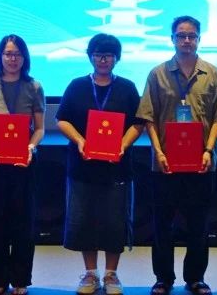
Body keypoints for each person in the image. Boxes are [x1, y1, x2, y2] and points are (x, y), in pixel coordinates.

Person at [136, 16, 217, 295]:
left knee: (199, 223)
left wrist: (208, 150)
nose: (186, 40)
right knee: (162, 224)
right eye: (181, 35)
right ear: (172, 39)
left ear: (199, 39)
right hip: (165, 163)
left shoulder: (213, 74)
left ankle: (195, 278)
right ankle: (163, 278)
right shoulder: (157, 74)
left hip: (201, 162)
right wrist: (158, 152)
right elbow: (148, 117)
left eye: (191, 36)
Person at [55, 33, 143, 295]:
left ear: (116, 58)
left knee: (115, 221)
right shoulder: (77, 86)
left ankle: (111, 274)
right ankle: (91, 273)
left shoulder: (127, 87)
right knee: (85, 220)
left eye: (108, 55)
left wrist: (122, 144)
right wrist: (80, 140)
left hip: (117, 167)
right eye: (98, 55)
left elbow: (138, 123)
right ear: (90, 57)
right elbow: (62, 119)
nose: (103, 60)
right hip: (83, 167)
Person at [0, 34, 46, 295]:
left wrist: (30, 147)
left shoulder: (34, 87)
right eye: (8, 54)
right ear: (0, 56)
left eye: (17, 54)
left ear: (24, 58)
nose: (12, 59)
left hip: (23, 164)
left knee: (23, 224)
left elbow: (39, 129)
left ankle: (20, 279)